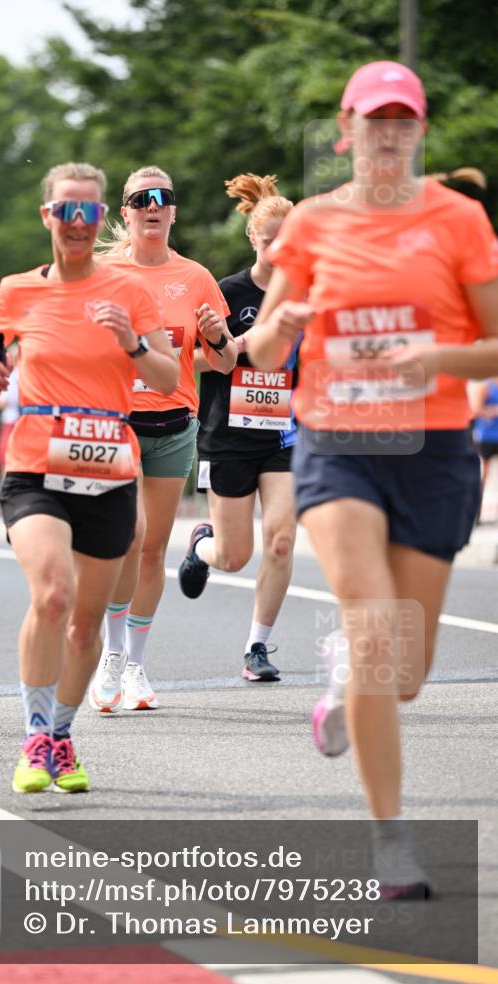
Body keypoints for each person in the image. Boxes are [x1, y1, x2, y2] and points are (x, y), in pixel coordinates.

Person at [247, 61, 498, 896]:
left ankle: (345, 684)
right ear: (345, 133)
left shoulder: (456, 220)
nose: (386, 134)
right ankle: (390, 844)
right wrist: (276, 325)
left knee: (406, 673)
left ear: (417, 131)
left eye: (401, 120)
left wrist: (438, 355)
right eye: (371, 120)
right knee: (369, 625)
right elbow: (261, 354)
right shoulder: (313, 224)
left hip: (431, 450)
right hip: (338, 442)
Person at [0, 162, 177, 793]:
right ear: (49, 216)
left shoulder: (130, 294)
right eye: (67, 210)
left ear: (101, 216)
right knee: (52, 596)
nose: (78, 223)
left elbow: (168, 377)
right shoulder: (18, 291)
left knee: (86, 626)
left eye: (89, 211)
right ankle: (33, 736)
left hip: (111, 469)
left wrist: (134, 346)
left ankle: (60, 734)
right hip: (36, 467)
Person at [88, 165, 237, 713]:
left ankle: (135, 667)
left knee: (152, 552)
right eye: (140, 199)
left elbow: (226, 359)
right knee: (131, 536)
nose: (152, 205)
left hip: (176, 425)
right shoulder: (101, 272)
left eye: (163, 198)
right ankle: (111, 651)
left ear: (173, 210)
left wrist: (219, 335)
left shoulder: (197, 278)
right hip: (117, 422)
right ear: (125, 212)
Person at [178, 173, 299, 683]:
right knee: (234, 555)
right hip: (227, 434)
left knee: (281, 539)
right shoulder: (227, 292)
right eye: (269, 238)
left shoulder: (307, 295)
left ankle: (257, 647)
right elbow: (197, 362)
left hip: (285, 435)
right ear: (253, 238)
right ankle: (201, 546)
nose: (280, 247)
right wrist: (239, 344)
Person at [469, 377, 498, 521]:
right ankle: (476, 513)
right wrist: (494, 411)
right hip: (487, 437)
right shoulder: (485, 385)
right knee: (482, 477)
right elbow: (476, 409)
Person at [0, 362, 19, 478]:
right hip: (9, 421)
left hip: (22, 422)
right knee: (4, 459)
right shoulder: (8, 376)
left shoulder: (25, 375)